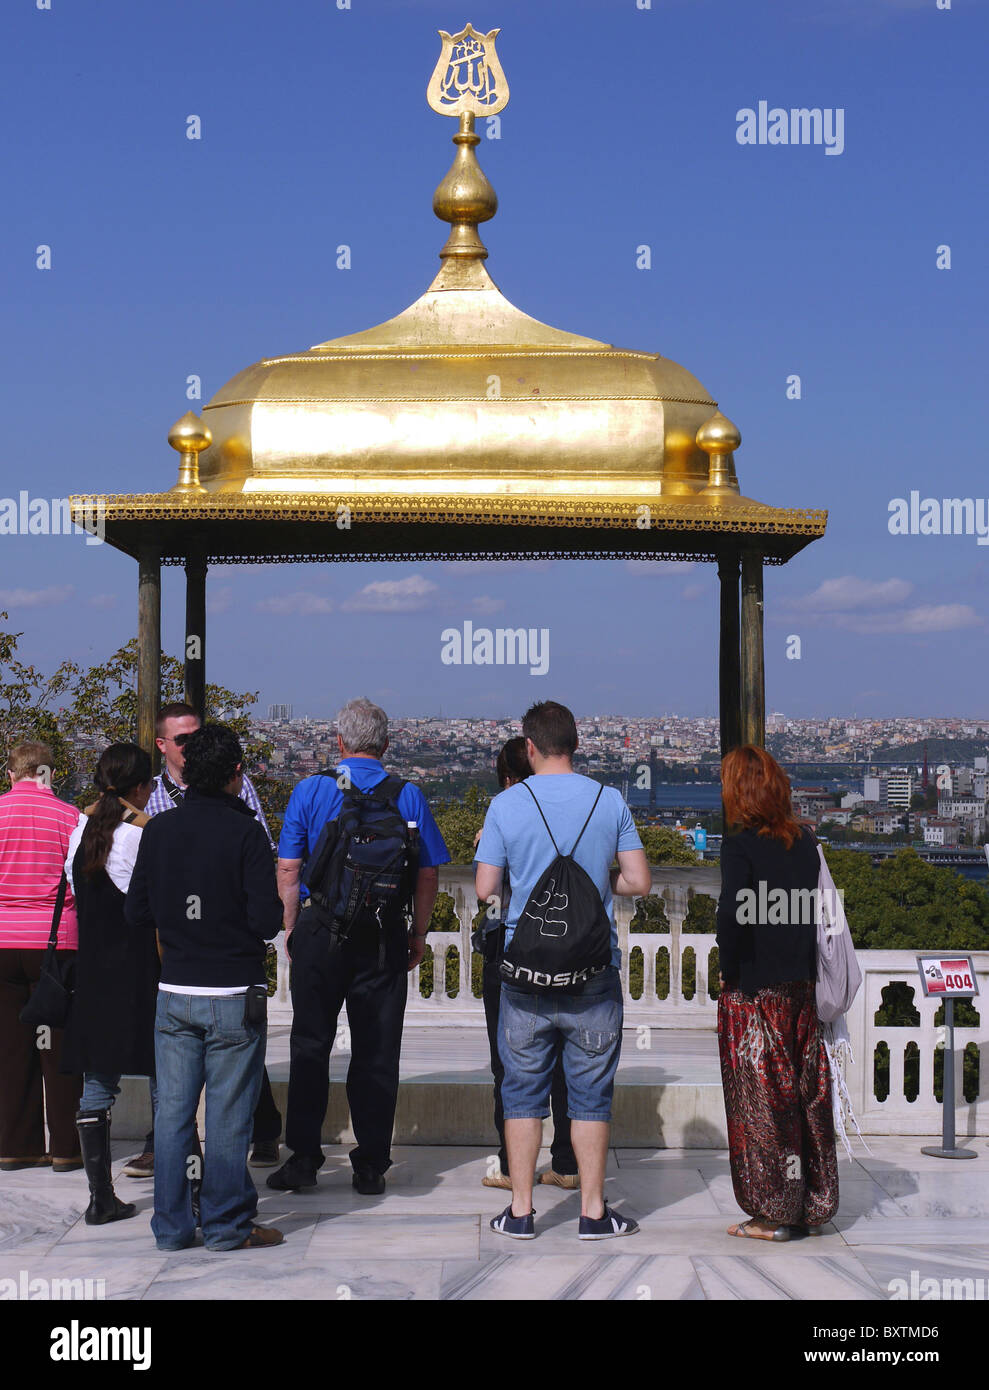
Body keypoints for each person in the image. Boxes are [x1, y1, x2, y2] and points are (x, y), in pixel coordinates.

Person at [475, 701, 651, 1240]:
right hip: (593, 973)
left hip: (525, 975)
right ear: (574, 744)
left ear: (529, 747)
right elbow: (638, 881)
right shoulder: (609, 800)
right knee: (591, 1096)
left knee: (521, 1094)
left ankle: (521, 1211)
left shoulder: (507, 804)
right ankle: (593, 1213)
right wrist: (596, 884)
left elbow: (485, 889)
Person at [269, 698, 449, 1195]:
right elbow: (428, 874)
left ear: (339, 741)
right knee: (377, 1051)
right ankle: (370, 1164)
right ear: (386, 745)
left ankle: (304, 1159)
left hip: (321, 930)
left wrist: (292, 927)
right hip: (383, 936)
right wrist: (418, 933)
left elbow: (289, 867)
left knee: (310, 1045)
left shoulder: (311, 789)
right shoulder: (408, 795)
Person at [125, 723, 284, 1251]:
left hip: (175, 990)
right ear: (236, 773)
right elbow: (267, 920)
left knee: (172, 1115)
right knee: (228, 1117)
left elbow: (137, 910)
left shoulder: (160, 831)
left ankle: (171, 1227)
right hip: (233, 992)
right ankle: (225, 1224)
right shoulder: (245, 833)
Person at [716, 744, 839, 1241]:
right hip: (800, 992)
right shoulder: (805, 842)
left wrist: (727, 973)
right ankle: (812, 1201)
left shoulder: (739, 846)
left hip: (754, 993)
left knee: (761, 1106)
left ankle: (773, 1212)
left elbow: (732, 917)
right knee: (806, 1099)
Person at [475, 737, 578, 1192]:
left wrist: (487, 848)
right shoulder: (571, 807)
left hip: (511, 948)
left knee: (510, 1060)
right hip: (568, 944)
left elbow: (488, 892)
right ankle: (568, 1161)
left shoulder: (505, 810)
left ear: (506, 777)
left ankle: (509, 1164)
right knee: (566, 1060)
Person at [62, 743, 158, 1224]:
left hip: (94, 974)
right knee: (165, 1077)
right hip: (141, 972)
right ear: (141, 787)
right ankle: (183, 1189)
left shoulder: (80, 831)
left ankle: (100, 1196)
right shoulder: (141, 835)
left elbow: (75, 890)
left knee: (97, 1084)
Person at [0, 742, 83, 1172]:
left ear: (12, 774)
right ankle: (66, 1146)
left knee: (12, 1049)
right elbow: (82, 880)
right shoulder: (70, 817)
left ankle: (16, 1144)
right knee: (59, 1048)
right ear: (49, 773)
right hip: (55, 943)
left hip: (3, 941)